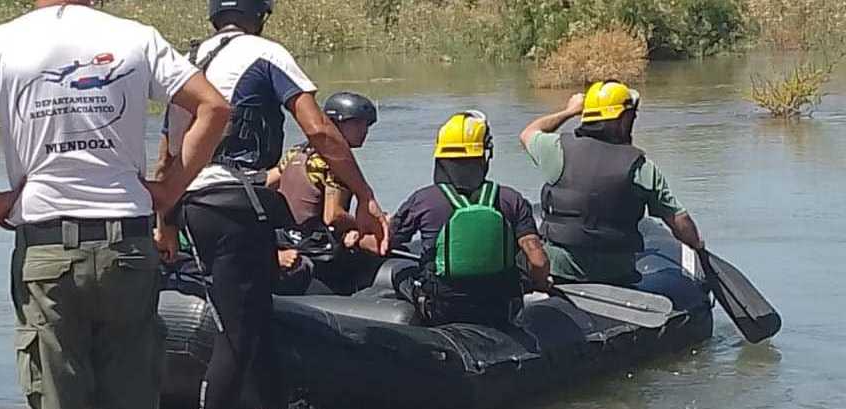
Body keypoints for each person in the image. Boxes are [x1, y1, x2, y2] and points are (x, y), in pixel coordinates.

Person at [0, 1, 230, 409]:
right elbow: (214, 107)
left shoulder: (0, 43)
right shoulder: (135, 37)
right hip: (127, 245)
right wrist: (170, 188)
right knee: (134, 405)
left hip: (46, 247)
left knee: (53, 408)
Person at [154, 1, 390, 409]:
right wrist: (365, 194)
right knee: (237, 335)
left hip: (193, 204)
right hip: (234, 204)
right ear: (259, 15)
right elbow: (318, 129)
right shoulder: (265, 53)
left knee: (257, 318)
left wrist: (165, 221)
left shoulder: (187, 61)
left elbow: (168, 151)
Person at [519, 80, 706, 286]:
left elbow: (528, 133)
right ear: (622, 120)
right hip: (616, 275)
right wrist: (697, 246)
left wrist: (569, 111)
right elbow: (678, 220)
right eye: (631, 116)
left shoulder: (556, 149)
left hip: (561, 271)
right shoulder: (640, 167)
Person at [390, 111, 551, 329]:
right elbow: (538, 261)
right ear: (484, 156)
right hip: (499, 306)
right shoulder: (511, 199)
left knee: (399, 269)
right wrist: (540, 284)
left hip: (442, 308)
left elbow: (386, 242)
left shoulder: (422, 200)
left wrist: (360, 235)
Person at [269, 92, 380, 293]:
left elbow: (269, 182)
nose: (364, 130)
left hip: (288, 241)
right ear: (335, 124)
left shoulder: (296, 152)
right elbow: (333, 216)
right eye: (357, 124)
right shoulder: (337, 164)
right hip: (319, 250)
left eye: (366, 125)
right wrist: (363, 226)